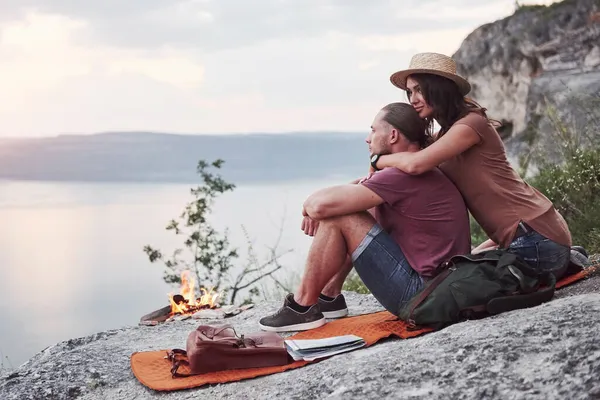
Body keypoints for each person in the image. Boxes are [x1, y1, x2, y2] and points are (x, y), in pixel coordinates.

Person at [258, 103, 471, 332]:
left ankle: (303, 307)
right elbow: (358, 191)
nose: (367, 139)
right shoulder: (412, 172)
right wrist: (324, 203)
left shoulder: (400, 176)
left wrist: (309, 207)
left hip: (421, 295)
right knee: (353, 209)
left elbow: (320, 206)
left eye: (373, 130)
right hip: (439, 289)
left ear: (392, 135)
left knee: (340, 217)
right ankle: (329, 297)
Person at [372, 52, 572, 279]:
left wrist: (377, 160)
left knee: (456, 288)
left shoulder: (471, 125)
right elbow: (409, 165)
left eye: (419, 89)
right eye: (409, 92)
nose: (413, 99)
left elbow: (416, 164)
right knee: (461, 271)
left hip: (538, 239)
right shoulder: (446, 135)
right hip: (529, 236)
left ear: (439, 88)